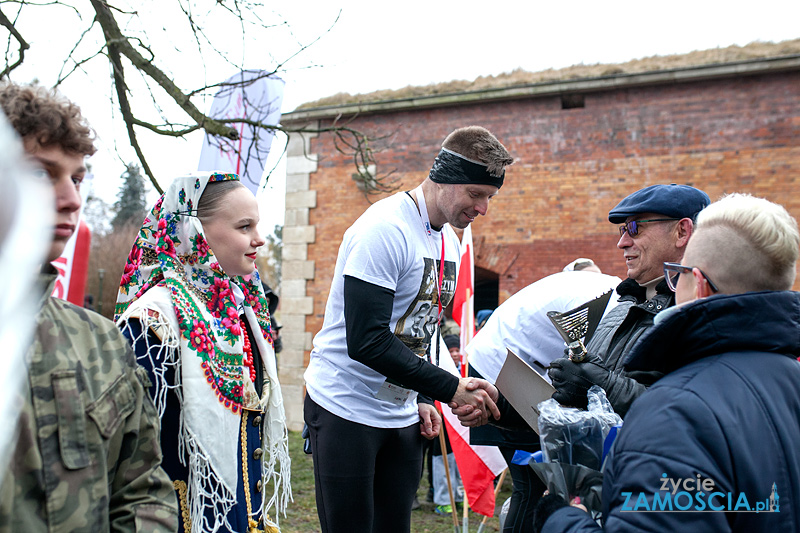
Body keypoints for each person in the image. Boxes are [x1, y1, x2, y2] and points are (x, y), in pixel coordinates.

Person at [536, 193, 800, 532]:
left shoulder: (674, 411)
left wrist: (561, 516)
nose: (674, 286)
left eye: (679, 274)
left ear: (700, 286)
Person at [303, 126, 513, 532]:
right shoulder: (383, 229)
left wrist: (422, 396)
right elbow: (367, 340)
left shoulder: (449, 241)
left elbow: (420, 329)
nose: (483, 208)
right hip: (345, 406)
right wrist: (448, 389)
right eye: (476, 194)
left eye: (489, 197)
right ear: (445, 177)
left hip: (401, 412)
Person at [0, 82, 178, 531]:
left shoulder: (102, 341)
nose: (72, 200)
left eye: (77, 178)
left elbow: (142, 490)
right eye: (42, 173)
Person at [115, 172, 291, 532]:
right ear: (192, 232)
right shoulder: (153, 319)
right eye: (244, 226)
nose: (259, 239)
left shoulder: (243, 314)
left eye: (257, 226)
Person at [463, 269, 622, 533]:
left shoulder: (609, 291)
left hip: (514, 363)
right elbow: (589, 381)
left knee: (542, 485)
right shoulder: (613, 305)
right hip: (501, 370)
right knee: (533, 484)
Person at [546, 183, 710, 417]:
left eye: (634, 228)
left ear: (682, 232)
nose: (622, 242)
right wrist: (500, 407)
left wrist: (604, 387)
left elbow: (689, 411)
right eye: (622, 230)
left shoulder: (700, 310)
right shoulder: (622, 305)